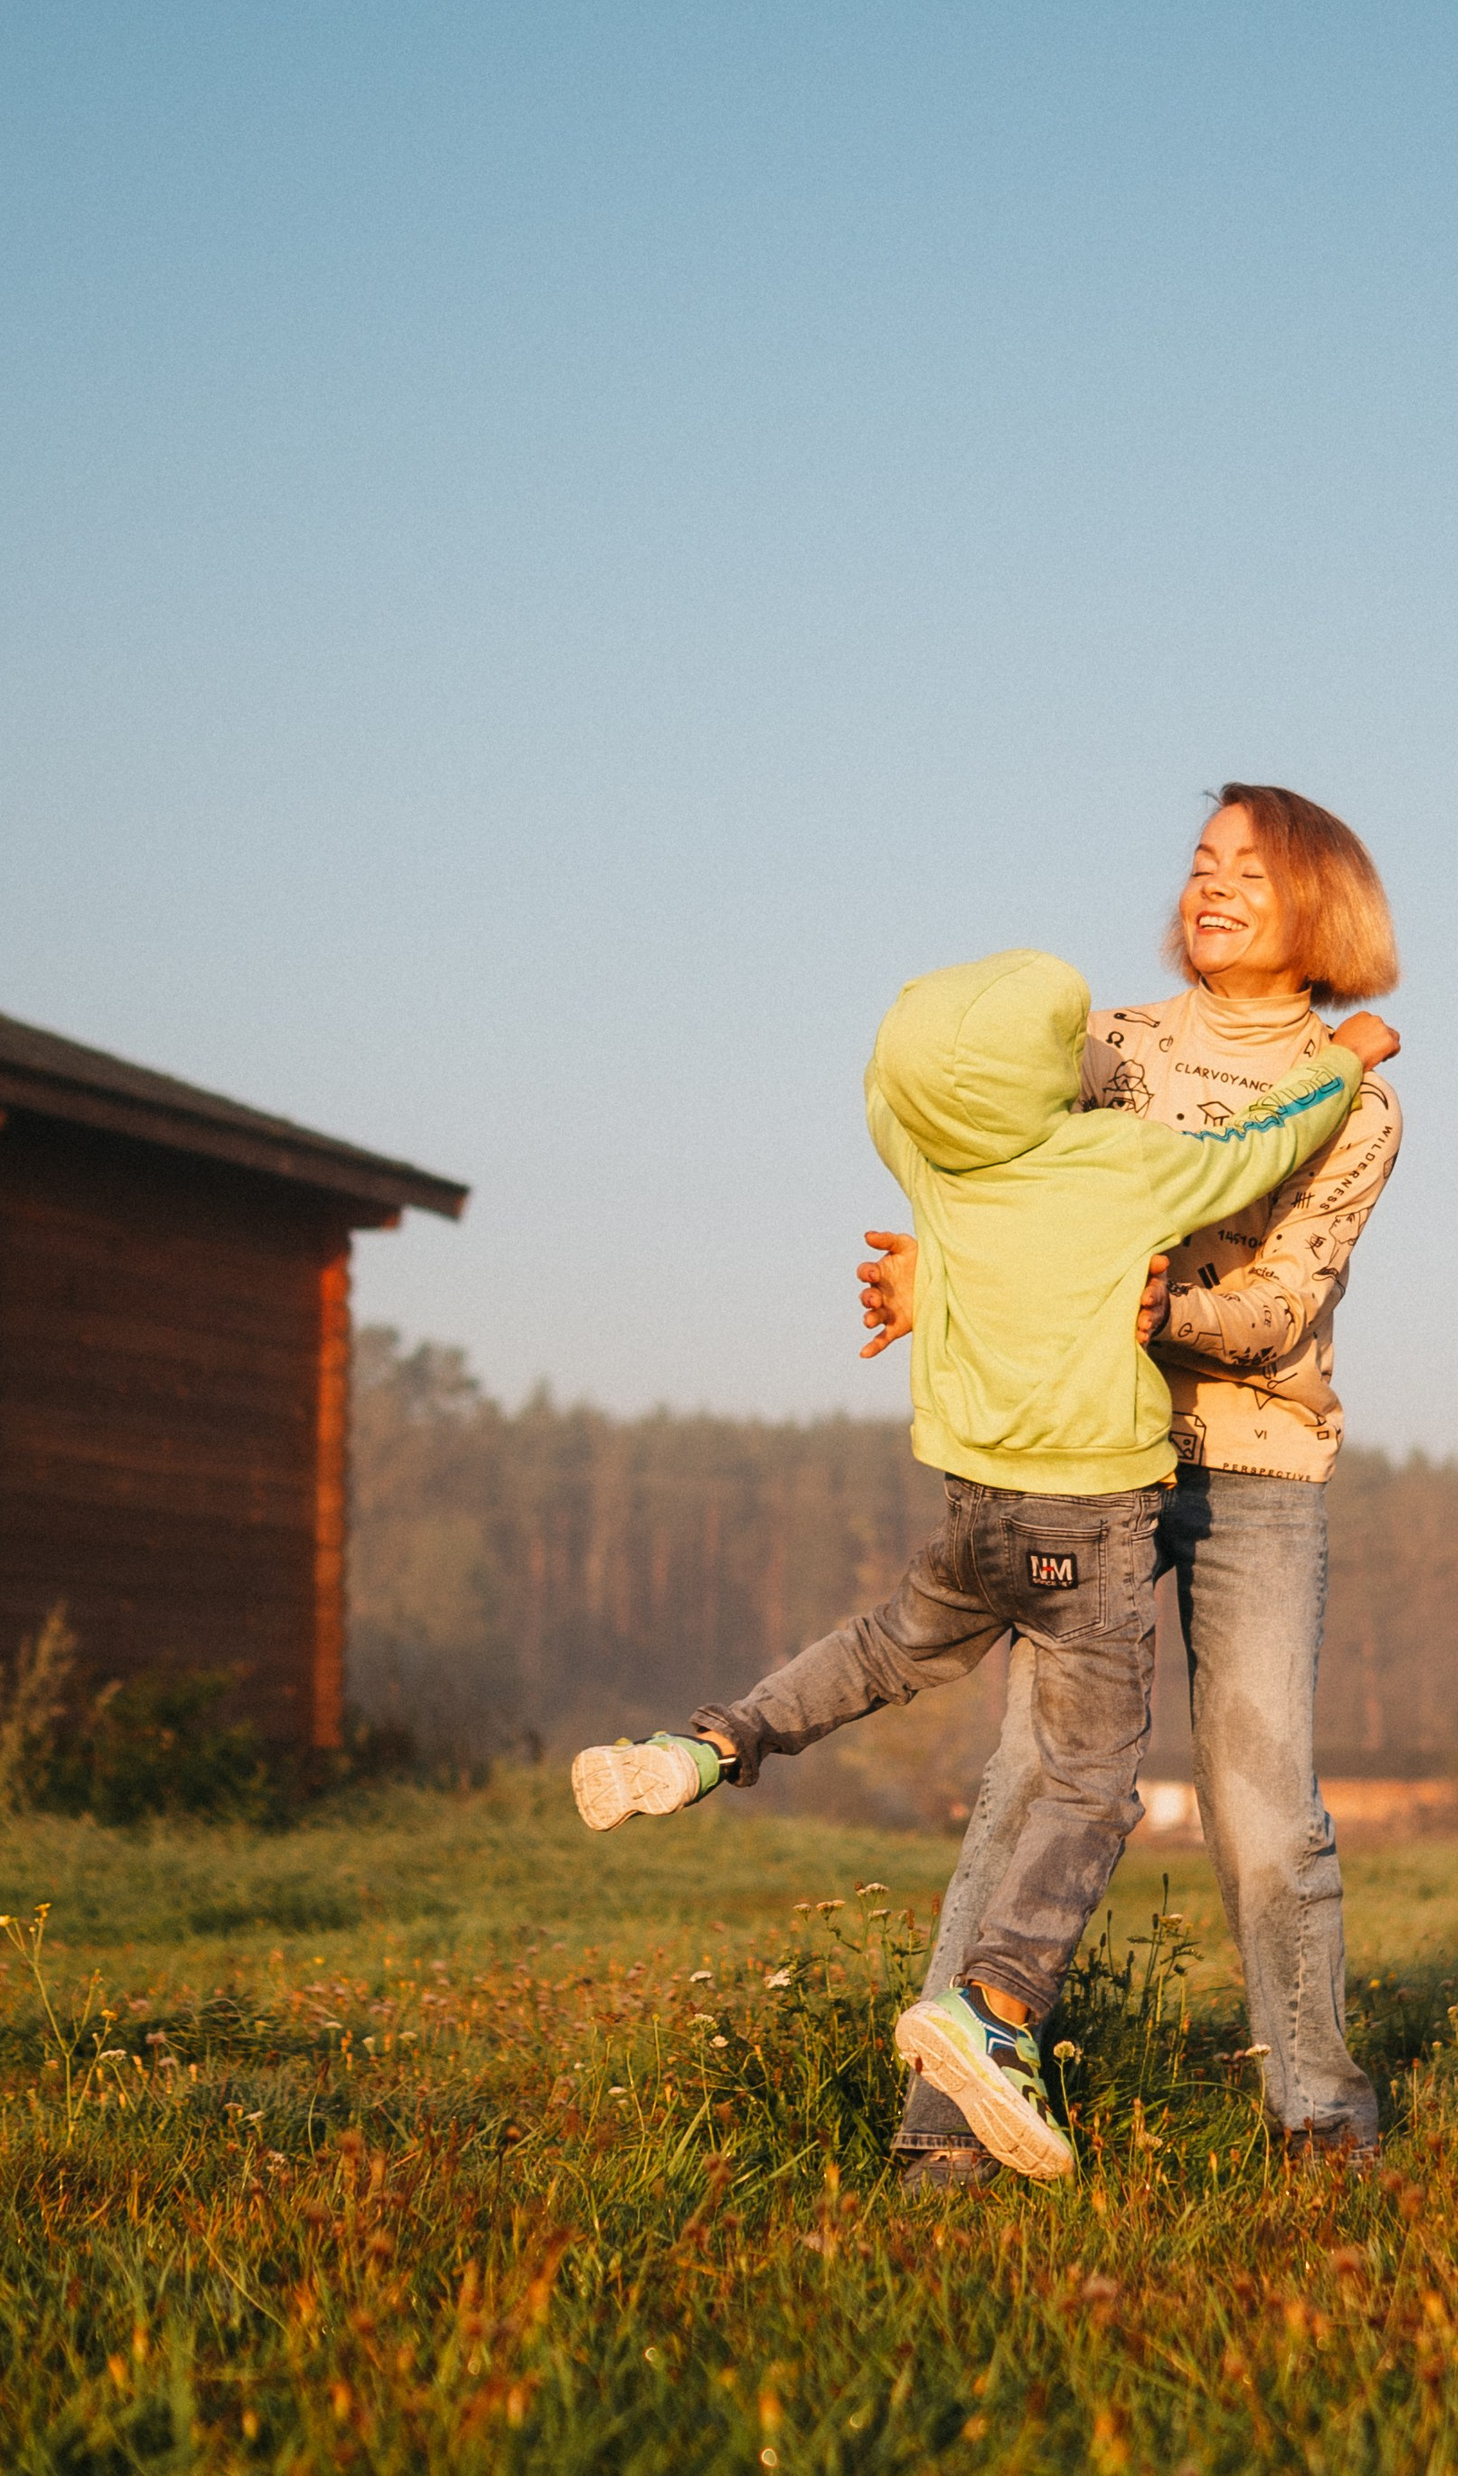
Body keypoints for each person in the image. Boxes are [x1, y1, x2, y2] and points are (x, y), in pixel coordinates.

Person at [569, 940, 1383, 2184]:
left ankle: (710, 1746)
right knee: (1086, 1787)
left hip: (974, 1517)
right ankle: (993, 2010)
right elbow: (1254, 1149)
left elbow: (888, 1091)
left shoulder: (932, 1159)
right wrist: (1340, 1063)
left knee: (879, 1650)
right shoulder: (1119, 1165)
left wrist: (915, 1076)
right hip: (1089, 1528)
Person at [863, 785, 1405, 2186]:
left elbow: (1282, 1305)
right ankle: (945, 2131)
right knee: (1030, 1779)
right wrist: (940, 1275)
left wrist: (1164, 1310)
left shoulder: (1358, 1099)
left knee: (1265, 1805)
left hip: (1256, 1465)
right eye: (1202, 861)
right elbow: (997, 1191)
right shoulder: (1102, 1046)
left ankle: (1320, 2118)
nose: (1211, 885)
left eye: (1250, 870)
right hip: (1082, 1464)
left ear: (1321, 906)